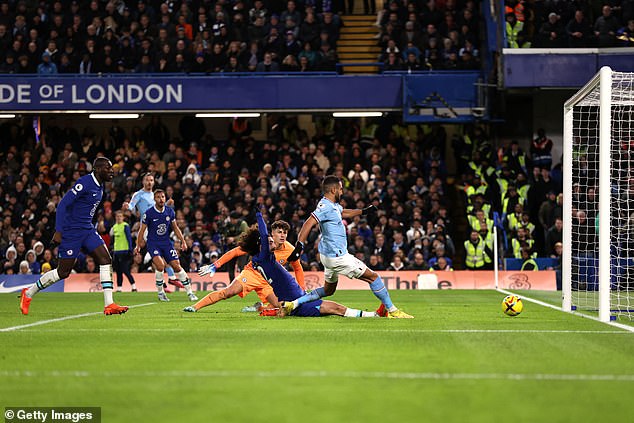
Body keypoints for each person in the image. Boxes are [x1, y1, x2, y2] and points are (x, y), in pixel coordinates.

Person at [282, 175, 413, 318]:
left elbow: (343, 212)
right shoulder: (324, 206)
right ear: (333, 190)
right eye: (340, 189)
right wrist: (299, 246)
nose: (342, 192)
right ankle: (393, 311)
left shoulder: (333, 206)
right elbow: (309, 222)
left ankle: (293, 304)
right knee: (373, 277)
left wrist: (363, 211)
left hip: (327, 257)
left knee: (328, 290)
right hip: (338, 257)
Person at [20, 157, 128, 316]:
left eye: (112, 168)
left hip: (87, 230)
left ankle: (109, 304)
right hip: (71, 232)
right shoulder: (85, 182)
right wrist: (59, 230)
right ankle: (28, 293)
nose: (112, 171)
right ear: (97, 170)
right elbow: (63, 204)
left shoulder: (100, 186)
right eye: (108, 168)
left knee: (105, 259)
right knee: (63, 272)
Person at [237, 209, 379, 318]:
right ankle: (373, 315)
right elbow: (263, 235)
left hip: (297, 297)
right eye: (269, 241)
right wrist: (259, 215)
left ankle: (275, 310)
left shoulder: (259, 260)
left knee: (331, 302)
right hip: (297, 303)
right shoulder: (264, 257)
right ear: (261, 245)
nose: (272, 241)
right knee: (335, 308)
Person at [184, 219, 304, 312]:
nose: (282, 235)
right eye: (279, 232)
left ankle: (259, 308)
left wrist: (302, 289)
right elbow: (235, 251)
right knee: (229, 293)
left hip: (268, 282)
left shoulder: (290, 250)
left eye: (285, 233)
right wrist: (215, 265)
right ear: (272, 233)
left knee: (281, 306)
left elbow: (297, 268)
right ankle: (195, 307)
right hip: (252, 274)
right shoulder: (262, 243)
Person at [122, 172, 183, 290]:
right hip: (147, 228)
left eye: (151, 180)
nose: (149, 182)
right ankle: (170, 278)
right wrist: (127, 206)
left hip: (159, 227)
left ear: (154, 182)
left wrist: (167, 205)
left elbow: (160, 208)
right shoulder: (138, 194)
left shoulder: (155, 195)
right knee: (161, 255)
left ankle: (166, 281)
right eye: (147, 180)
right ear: (143, 182)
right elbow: (131, 205)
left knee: (159, 257)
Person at [134, 189, 198, 302]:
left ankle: (190, 293)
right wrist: (138, 245)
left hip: (166, 243)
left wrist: (183, 240)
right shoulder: (148, 214)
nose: (161, 199)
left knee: (177, 266)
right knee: (160, 265)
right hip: (153, 243)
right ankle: (161, 293)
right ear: (154, 199)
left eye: (163, 197)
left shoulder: (170, 211)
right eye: (158, 197)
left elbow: (175, 228)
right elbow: (141, 230)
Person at [110, 210, 137, 292]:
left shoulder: (125, 226)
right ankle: (119, 287)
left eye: (120, 216)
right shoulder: (114, 227)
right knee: (118, 270)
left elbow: (129, 238)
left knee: (125, 269)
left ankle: (133, 286)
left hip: (124, 251)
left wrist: (130, 249)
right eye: (117, 216)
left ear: (123, 217)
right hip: (117, 251)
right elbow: (113, 240)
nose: (118, 218)